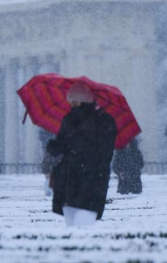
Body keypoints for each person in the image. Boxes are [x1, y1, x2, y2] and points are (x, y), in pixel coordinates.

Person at [48, 82, 117, 227]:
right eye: (70, 103)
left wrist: (80, 147)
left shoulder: (103, 121)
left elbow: (104, 153)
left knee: (83, 228)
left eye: (75, 103)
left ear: (85, 101)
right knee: (71, 228)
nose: (72, 106)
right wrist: (55, 147)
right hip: (68, 183)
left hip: (91, 182)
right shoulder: (69, 120)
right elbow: (63, 144)